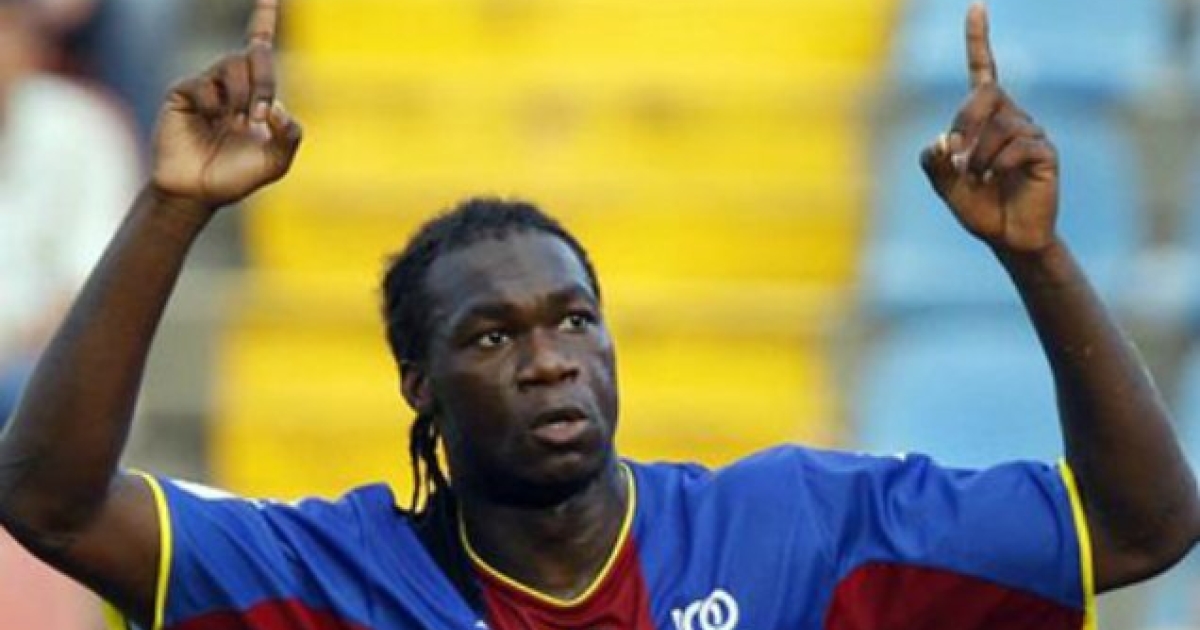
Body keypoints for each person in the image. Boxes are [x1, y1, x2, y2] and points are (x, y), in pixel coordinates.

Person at [0, 1, 1196, 629]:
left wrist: (1037, 259)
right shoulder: (332, 577)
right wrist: (172, 206)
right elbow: (50, 503)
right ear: (418, 385)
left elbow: (1139, 528)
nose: (548, 362)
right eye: (491, 337)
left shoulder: (797, 532)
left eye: (574, 322)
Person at [0, 0, 138, 425]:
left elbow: (94, 283)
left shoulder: (85, 128)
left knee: (37, 390)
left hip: (37, 361)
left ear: (30, 44)